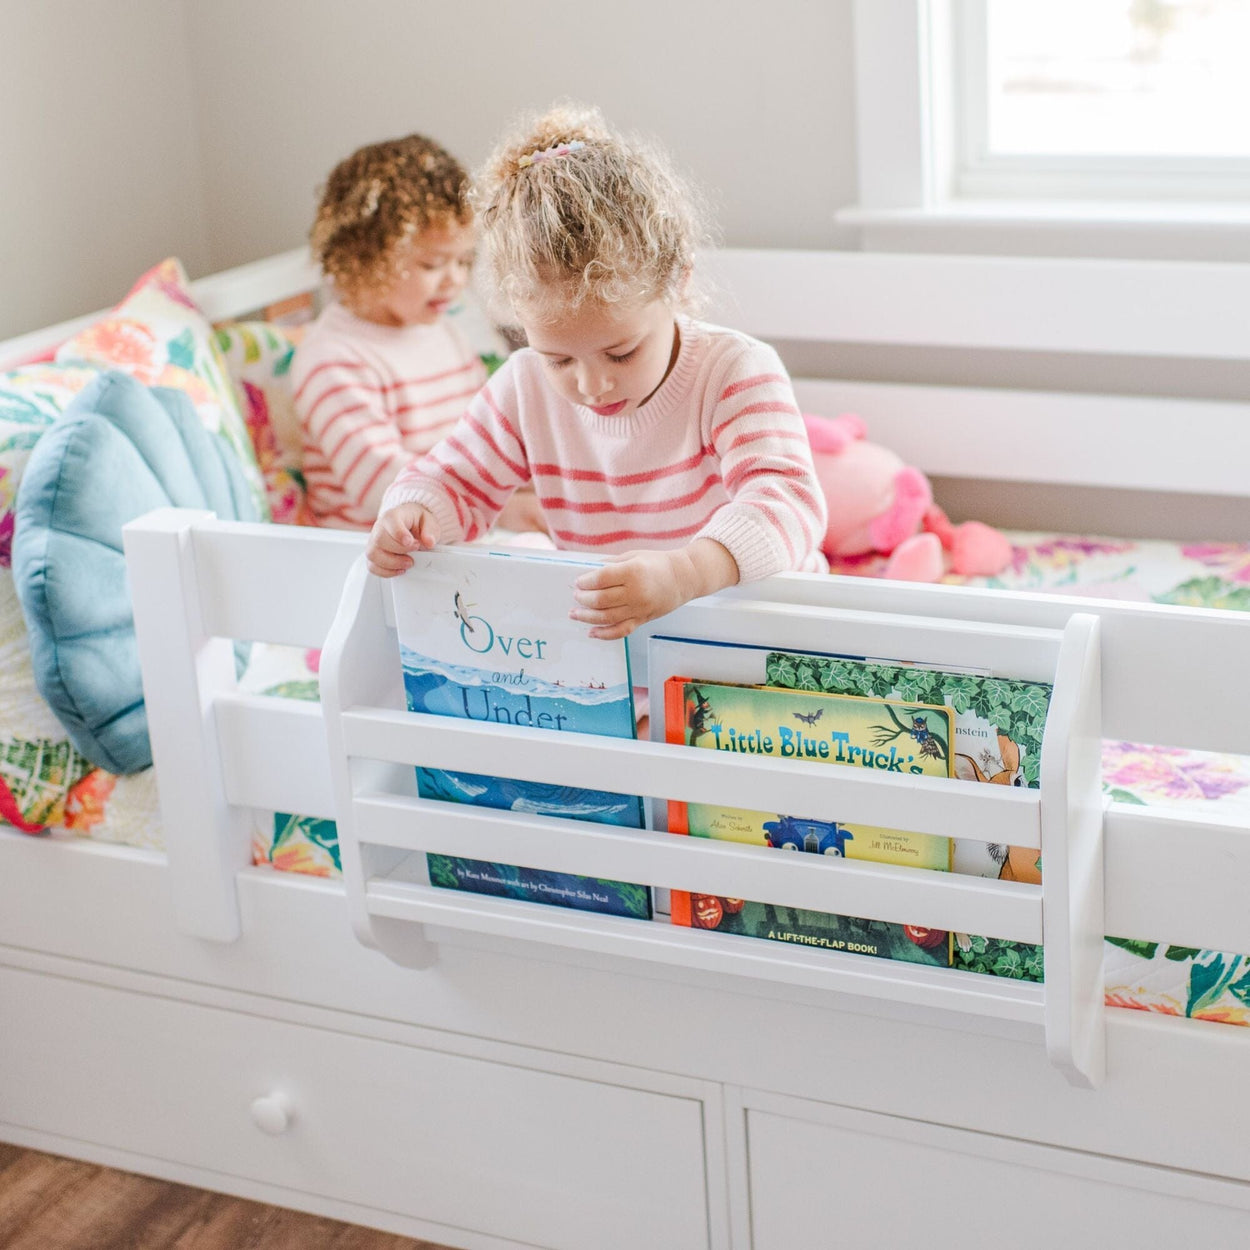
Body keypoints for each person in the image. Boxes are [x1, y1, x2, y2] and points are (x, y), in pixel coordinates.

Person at [365, 106, 827, 638]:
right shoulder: (524, 388)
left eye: (621, 353)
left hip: (760, 637)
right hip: (622, 647)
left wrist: (688, 571)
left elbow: (787, 503)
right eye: (559, 359)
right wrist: (413, 514)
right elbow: (454, 480)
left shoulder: (732, 373)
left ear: (677, 282)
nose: (590, 386)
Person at [292, 133, 543, 533]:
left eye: (464, 261)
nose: (455, 280)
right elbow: (381, 486)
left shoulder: (445, 331)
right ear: (364, 258)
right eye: (432, 265)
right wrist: (507, 509)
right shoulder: (332, 359)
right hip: (380, 546)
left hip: (453, 524)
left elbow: (487, 437)